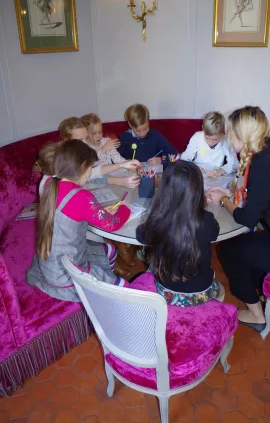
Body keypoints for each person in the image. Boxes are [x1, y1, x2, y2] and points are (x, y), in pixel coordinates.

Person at [208, 106, 270, 332]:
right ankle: (259, 294)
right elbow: (267, 195)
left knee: (230, 250)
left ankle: (256, 315)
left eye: (231, 134)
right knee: (245, 246)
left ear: (242, 136)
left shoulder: (263, 164)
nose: (229, 139)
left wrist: (224, 202)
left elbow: (248, 219)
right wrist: (231, 195)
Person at [26, 140, 131, 302]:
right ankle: (105, 302)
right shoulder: (81, 197)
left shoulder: (50, 182)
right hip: (67, 276)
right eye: (90, 167)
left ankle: (104, 277)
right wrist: (125, 208)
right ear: (82, 166)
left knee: (109, 250)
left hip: (51, 261)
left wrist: (99, 212)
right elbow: (112, 224)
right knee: (123, 288)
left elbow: (75, 213)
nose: (91, 172)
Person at [136, 160, 220, 307]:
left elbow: (140, 235)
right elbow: (214, 234)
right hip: (202, 291)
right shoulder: (206, 219)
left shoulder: (157, 219)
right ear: (198, 190)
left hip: (166, 291)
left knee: (151, 260)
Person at [58, 117, 141, 188]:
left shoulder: (82, 151)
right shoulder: (60, 160)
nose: (84, 143)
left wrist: (123, 164)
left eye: (86, 138)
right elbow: (90, 176)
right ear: (66, 140)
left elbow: (93, 173)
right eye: (80, 140)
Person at [181, 111, 238, 177]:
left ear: (223, 133)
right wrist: (194, 167)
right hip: (197, 175)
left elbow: (235, 164)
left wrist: (221, 170)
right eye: (207, 138)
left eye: (215, 139)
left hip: (216, 177)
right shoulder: (197, 137)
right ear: (203, 129)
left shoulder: (226, 140)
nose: (210, 142)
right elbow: (185, 157)